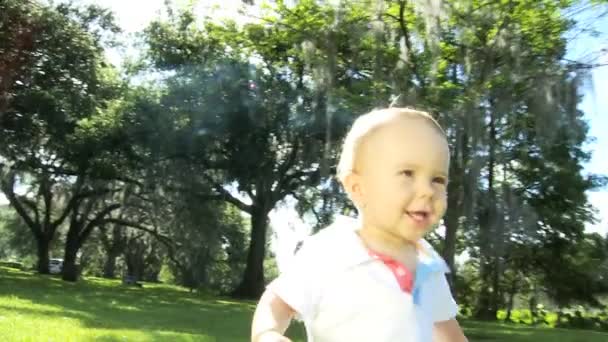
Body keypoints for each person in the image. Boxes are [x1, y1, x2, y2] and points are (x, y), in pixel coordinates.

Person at [251, 107, 468, 342]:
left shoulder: (428, 265)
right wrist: (268, 334)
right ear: (358, 187)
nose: (427, 190)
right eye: (407, 173)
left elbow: (448, 331)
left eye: (437, 179)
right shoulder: (331, 250)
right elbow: (278, 301)